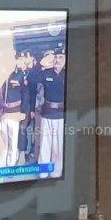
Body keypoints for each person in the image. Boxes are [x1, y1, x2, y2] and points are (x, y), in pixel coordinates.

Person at [1, 47, 35, 166]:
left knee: (14, 139)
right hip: (3, 112)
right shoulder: (2, 74)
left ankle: (11, 165)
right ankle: (3, 164)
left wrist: (24, 112)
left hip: (15, 112)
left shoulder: (20, 75)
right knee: (4, 140)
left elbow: (26, 95)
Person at [36, 43, 66, 172]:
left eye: (61, 57)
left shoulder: (68, 74)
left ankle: (56, 173)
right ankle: (43, 172)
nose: (58, 60)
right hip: (47, 113)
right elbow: (33, 77)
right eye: (56, 57)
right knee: (45, 144)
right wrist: (45, 62)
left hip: (62, 115)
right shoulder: (46, 73)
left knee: (58, 147)